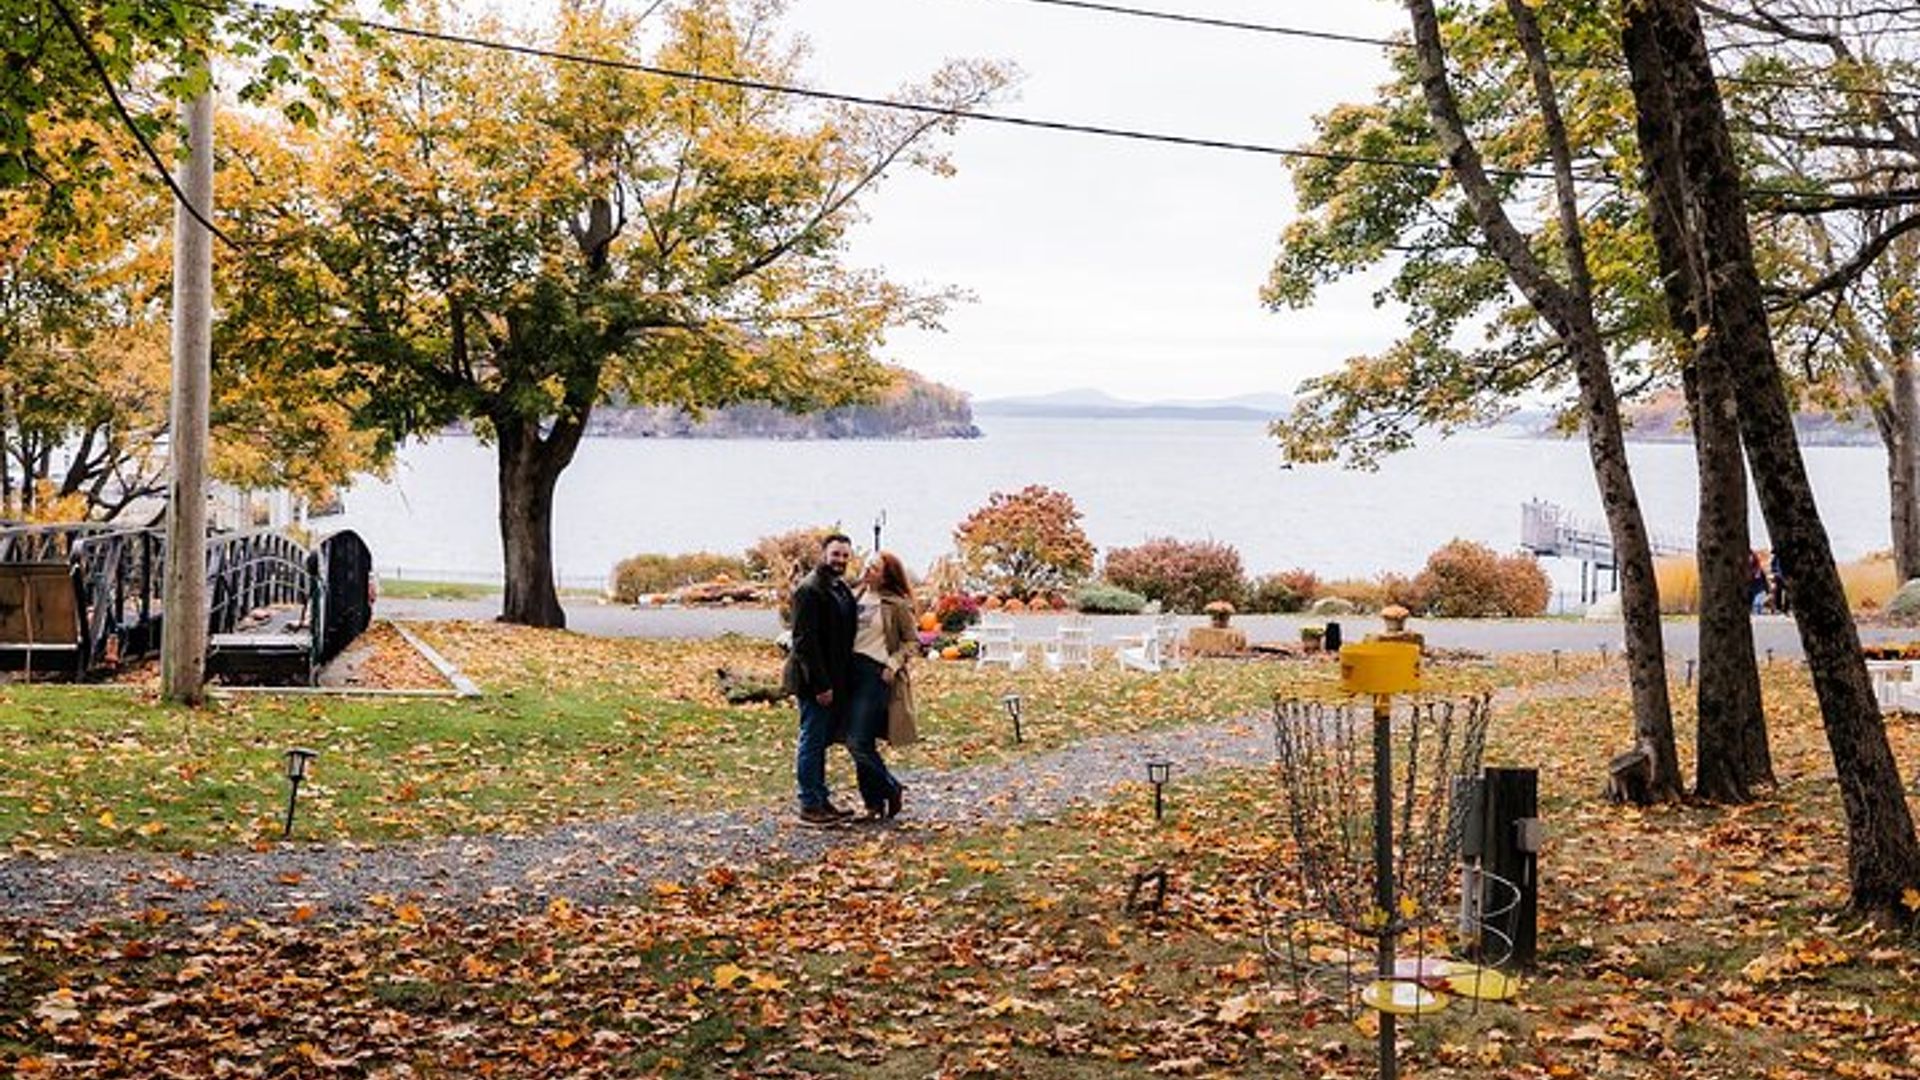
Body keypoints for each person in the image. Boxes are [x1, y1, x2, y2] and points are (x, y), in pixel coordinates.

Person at [782, 533, 858, 825]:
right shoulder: (809, 590)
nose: (840, 560)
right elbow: (805, 643)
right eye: (835, 554)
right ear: (823, 554)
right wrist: (821, 685)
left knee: (820, 740)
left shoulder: (838, 587)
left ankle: (821, 798)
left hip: (835, 677)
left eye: (844, 556)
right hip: (814, 681)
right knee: (812, 740)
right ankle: (809, 804)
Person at [848, 551, 919, 820]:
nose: (868, 571)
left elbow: (912, 641)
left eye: (874, 568)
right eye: (867, 566)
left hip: (875, 675)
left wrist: (893, 663)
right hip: (850, 674)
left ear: (887, 574)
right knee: (858, 741)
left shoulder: (895, 604)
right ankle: (872, 805)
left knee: (858, 742)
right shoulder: (855, 597)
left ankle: (891, 787)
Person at [1748, 551, 1769, 615]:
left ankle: (1757, 612)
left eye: (1751, 556)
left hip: (1758, 589)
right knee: (1755, 604)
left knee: (1757, 604)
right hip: (1750, 589)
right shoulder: (1745, 568)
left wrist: (1767, 589)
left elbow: (1764, 579)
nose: (1750, 558)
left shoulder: (1758, 569)